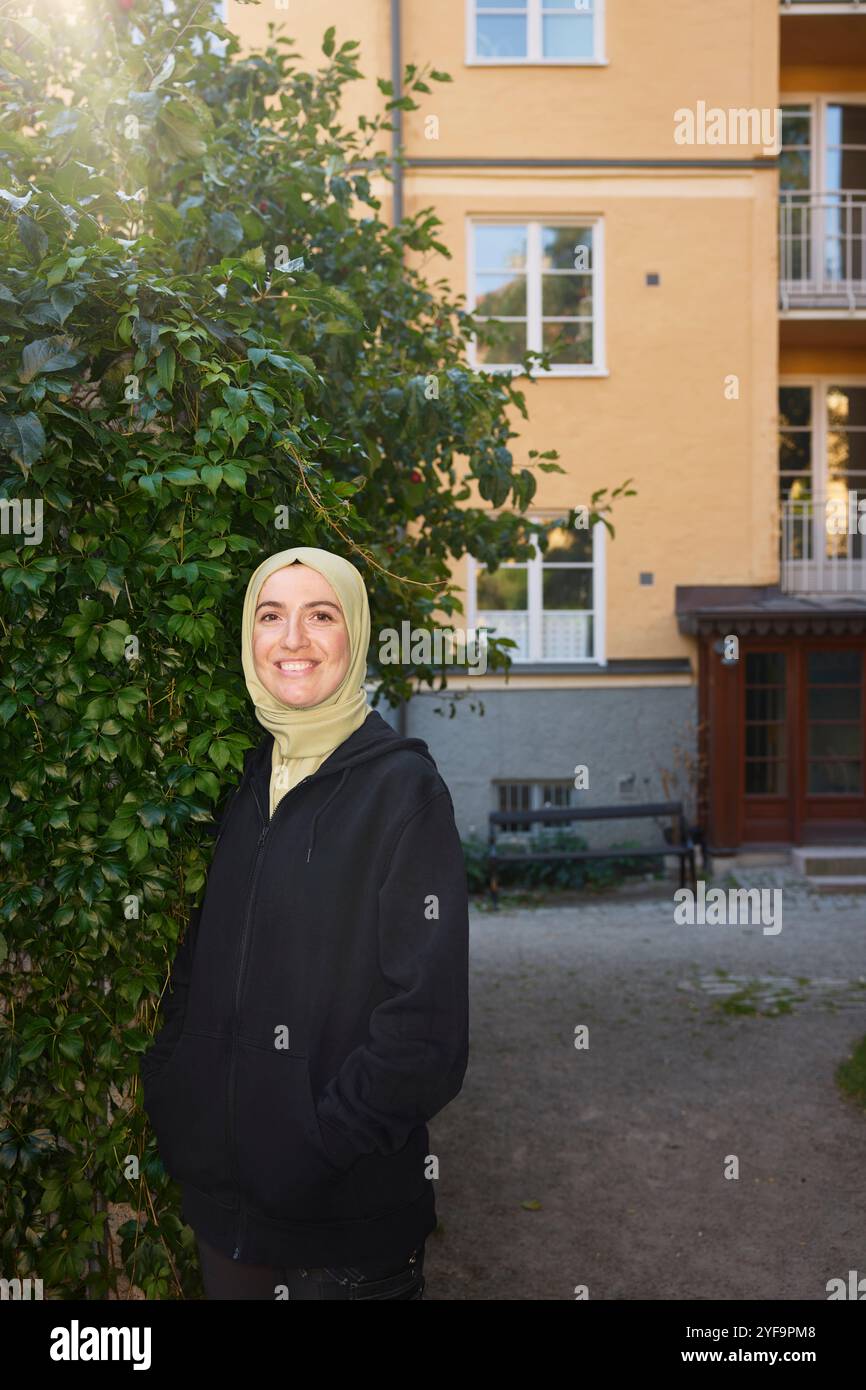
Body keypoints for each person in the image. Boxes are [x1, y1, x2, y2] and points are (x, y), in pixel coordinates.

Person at [140, 545, 470, 1300]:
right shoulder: (257, 778)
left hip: (341, 1225)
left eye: (320, 615)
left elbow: (428, 1033)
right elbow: (201, 964)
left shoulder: (404, 791)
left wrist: (316, 1146)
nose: (292, 640)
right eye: (270, 615)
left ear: (353, 634)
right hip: (226, 1217)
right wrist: (176, 1086)